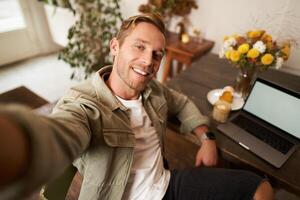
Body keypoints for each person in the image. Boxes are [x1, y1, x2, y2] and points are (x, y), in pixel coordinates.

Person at [0, 13, 273, 200]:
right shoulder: (84, 105)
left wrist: (206, 137)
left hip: (168, 186)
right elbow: (58, 135)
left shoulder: (152, 90)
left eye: (157, 55)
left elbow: (182, 102)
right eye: (139, 47)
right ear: (115, 46)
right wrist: (16, 141)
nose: (148, 62)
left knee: (260, 188)